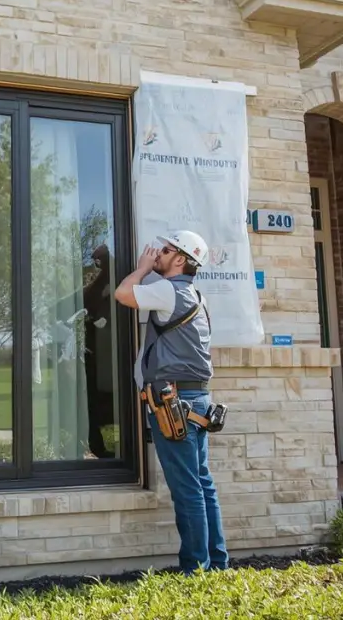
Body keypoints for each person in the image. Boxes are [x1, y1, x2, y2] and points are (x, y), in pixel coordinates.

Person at [113, 230, 228, 574]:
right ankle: (216, 562)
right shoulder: (196, 295)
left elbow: (122, 294)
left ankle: (195, 567)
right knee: (202, 482)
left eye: (165, 250)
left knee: (187, 487)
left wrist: (142, 269)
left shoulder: (169, 289)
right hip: (197, 399)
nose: (158, 254)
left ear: (180, 259)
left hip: (173, 402)